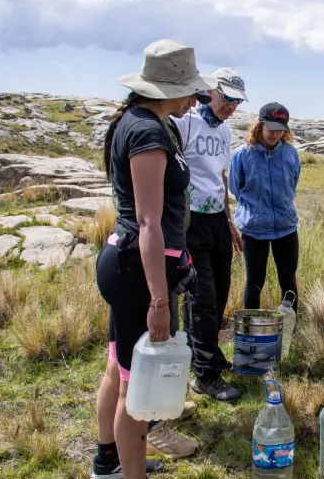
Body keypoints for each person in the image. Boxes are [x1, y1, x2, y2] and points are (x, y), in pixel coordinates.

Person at [93, 39, 216, 479]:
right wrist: (159, 302)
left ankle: (108, 461)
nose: (194, 98)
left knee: (118, 366)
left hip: (128, 263)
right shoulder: (146, 130)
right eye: (190, 89)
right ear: (170, 89)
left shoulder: (146, 122)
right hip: (139, 270)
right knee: (135, 388)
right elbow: (148, 222)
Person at [173, 68, 247, 402]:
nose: (230, 105)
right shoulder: (184, 122)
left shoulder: (226, 131)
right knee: (201, 297)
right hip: (191, 223)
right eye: (226, 97)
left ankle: (204, 354)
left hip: (218, 219)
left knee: (219, 292)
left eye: (236, 101)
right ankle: (205, 375)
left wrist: (230, 222)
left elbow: (221, 175)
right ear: (210, 91)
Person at [228, 103, 301, 312]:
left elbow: (292, 184)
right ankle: (250, 334)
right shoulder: (242, 154)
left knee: (288, 281)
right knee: (254, 282)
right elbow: (235, 188)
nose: (276, 134)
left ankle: (289, 332)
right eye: (271, 127)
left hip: (286, 227)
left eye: (281, 129)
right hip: (254, 228)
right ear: (260, 125)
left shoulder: (290, 154)